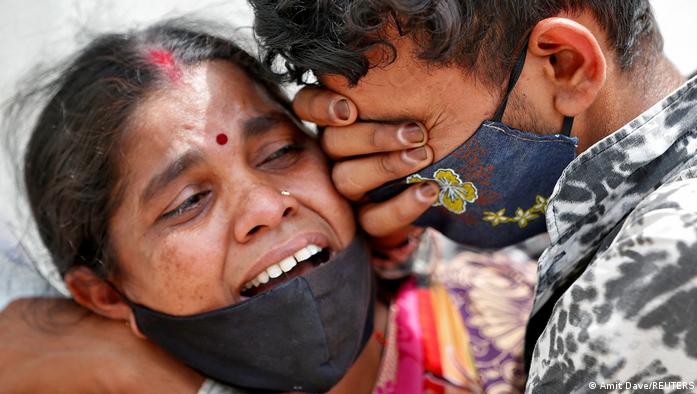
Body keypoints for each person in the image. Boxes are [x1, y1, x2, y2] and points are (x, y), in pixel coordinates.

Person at [0, 21, 536, 393]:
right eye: (188, 202)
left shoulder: (523, 319)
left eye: (281, 152)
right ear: (105, 296)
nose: (266, 207)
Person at [248, 0, 697, 392]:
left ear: (566, 63)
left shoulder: (638, 288)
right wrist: (395, 250)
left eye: (409, 137)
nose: (384, 171)